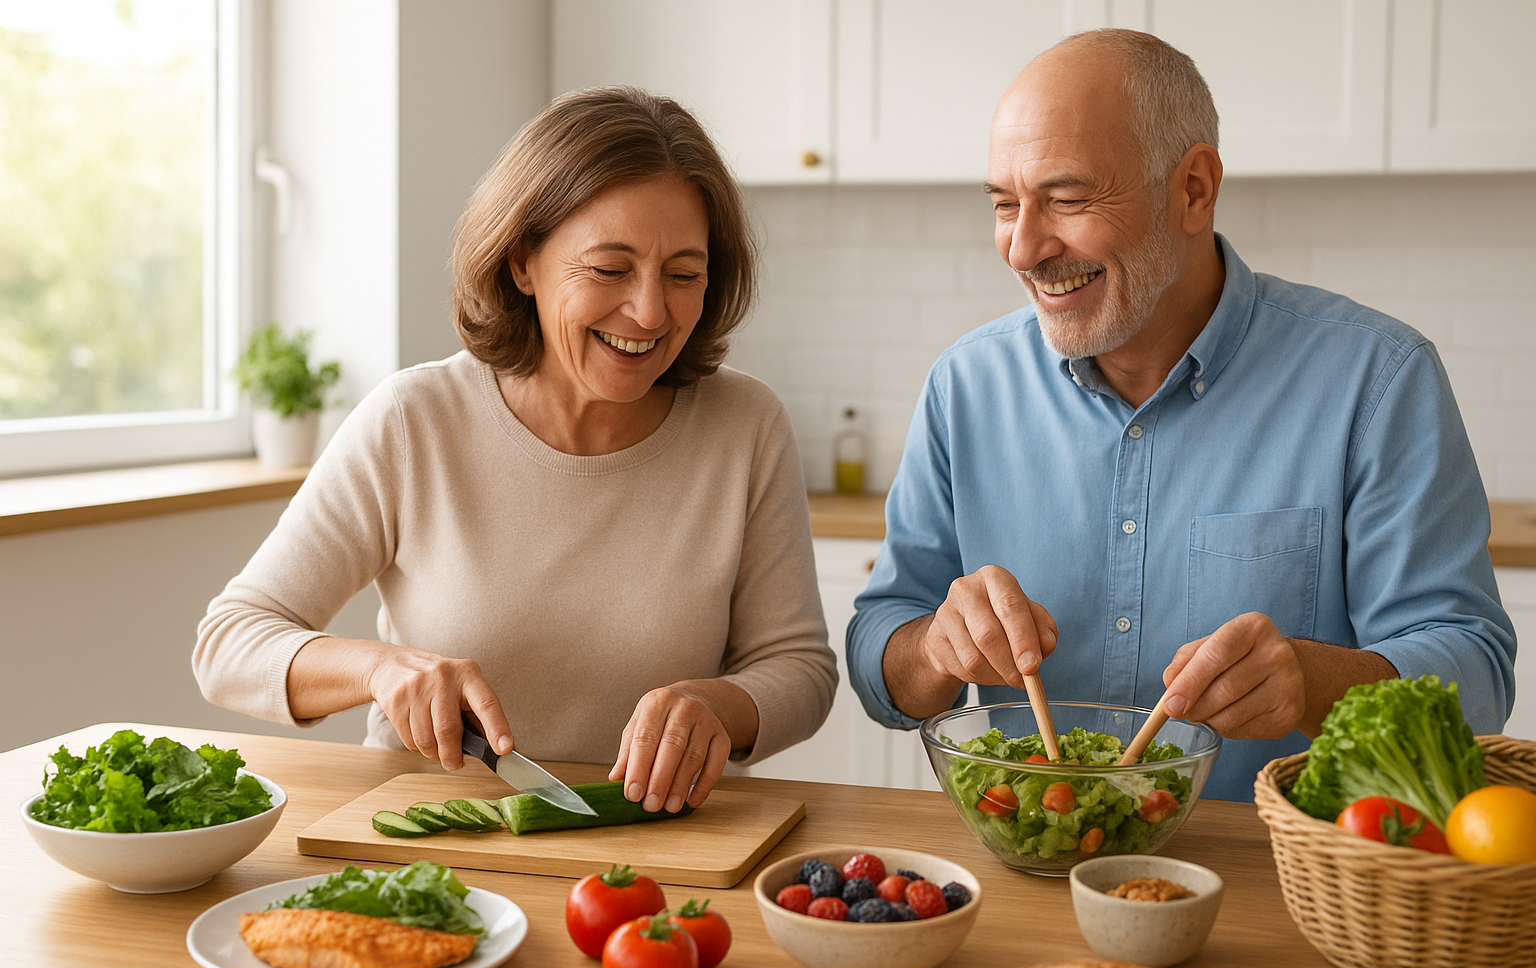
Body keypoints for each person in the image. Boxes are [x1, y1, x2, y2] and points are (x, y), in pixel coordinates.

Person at [847, 29, 1516, 800]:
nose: (1023, 249)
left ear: (1194, 189)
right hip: (1024, 856)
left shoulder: (1378, 380)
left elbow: (1476, 679)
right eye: (1004, 205)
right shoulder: (965, 385)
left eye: (1067, 199)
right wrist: (935, 647)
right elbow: (878, 661)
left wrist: (1311, 683)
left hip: (1278, 864)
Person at [195, 86, 837, 813]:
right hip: (434, 839)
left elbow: (801, 668)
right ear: (522, 262)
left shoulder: (745, 425)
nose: (651, 310)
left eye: (684, 274)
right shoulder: (414, 421)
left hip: (661, 845)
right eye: (610, 269)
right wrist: (380, 670)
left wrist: (723, 705)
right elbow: (230, 643)